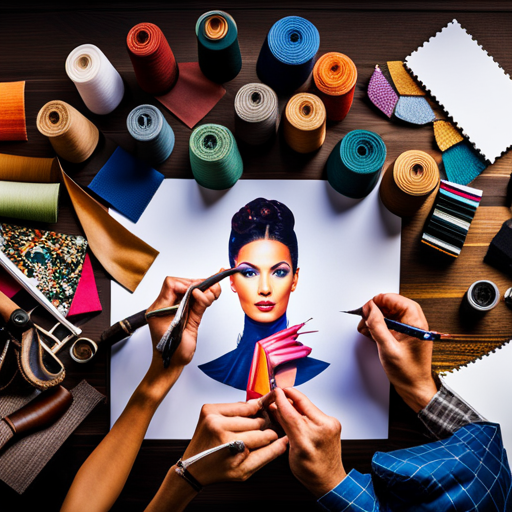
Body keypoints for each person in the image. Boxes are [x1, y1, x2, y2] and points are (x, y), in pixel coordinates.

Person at [198, 197, 329, 390]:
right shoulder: (212, 373)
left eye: (279, 272)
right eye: (249, 273)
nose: (265, 288)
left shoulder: (322, 375)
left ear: (295, 279)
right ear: (231, 280)